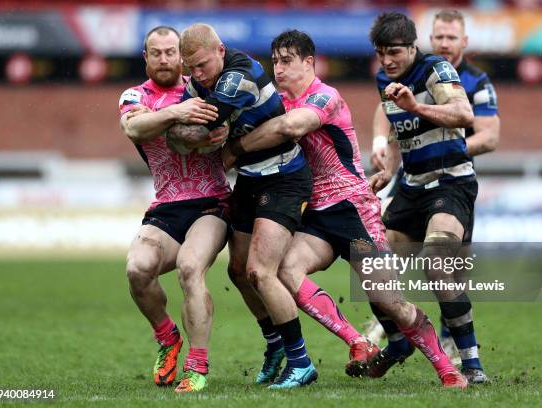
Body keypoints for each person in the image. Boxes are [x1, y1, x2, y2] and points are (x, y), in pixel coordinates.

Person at [222, 29, 468, 389]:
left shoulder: (325, 97)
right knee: (287, 270)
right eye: (274, 61)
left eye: (287, 60)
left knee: (391, 302)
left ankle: (448, 370)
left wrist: (235, 148)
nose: (278, 68)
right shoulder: (279, 105)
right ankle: (358, 341)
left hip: (354, 212)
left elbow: (293, 127)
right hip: (316, 215)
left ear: (309, 62)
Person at [166, 23, 317, 389]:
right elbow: (178, 136)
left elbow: (198, 130)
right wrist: (185, 130)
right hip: (250, 178)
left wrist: (190, 131)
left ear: (220, 50)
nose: (197, 75)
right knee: (237, 271)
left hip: (284, 177)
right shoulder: (197, 81)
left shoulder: (239, 75)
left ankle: (301, 361)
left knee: (260, 271)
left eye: (202, 65)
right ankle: (275, 343)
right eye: (191, 69)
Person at [365, 11, 497, 383]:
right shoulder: (384, 78)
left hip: (450, 182)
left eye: (394, 52)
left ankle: (470, 363)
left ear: (411, 47)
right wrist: (388, 168)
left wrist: (417, 106)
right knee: (369, 263)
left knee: (438, 263)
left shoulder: (436, 70)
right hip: (411, 186)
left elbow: (462, 112)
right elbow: (398, 132)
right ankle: (397, 341)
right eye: (380, 53)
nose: (387, 61)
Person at [119, 26, 231, 393]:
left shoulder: (202, 87)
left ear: (181, 56)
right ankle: (168, 338)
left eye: (171, 52)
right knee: (138, 268)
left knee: (189, 267)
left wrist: (222, 135)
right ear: (146, 57)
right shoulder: (136, 95)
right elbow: (135, 128)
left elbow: (228, 126)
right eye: (157, 53)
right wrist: (178, 112)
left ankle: (197, 365)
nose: (165, 58)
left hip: (211, 203)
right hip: (166, 207)